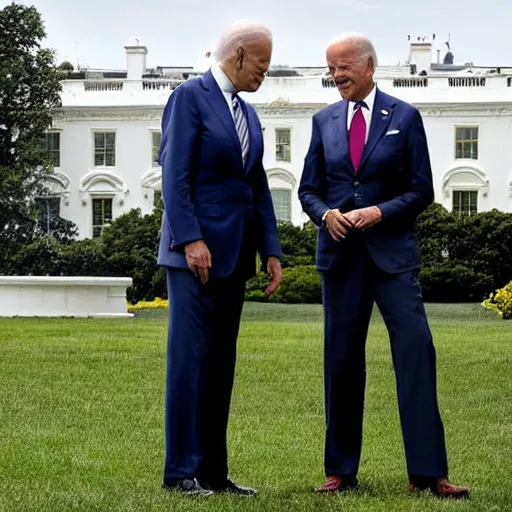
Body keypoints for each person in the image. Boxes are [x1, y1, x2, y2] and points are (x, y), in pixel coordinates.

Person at [298, 32, 469, 499]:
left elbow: (421, 190)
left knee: (416, 353)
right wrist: (325, 215)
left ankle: (429, 474)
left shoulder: (406, 117)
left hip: (393, 260)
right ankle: (340, 472)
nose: (336, 76)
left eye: (343, 67)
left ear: (370, 66)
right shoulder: (323, 121)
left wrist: (379, 212)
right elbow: (308, 189)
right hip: (340, 261)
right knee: (341, 364)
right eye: (330, 69)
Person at [157, 20, 283, 497]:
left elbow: (257, 186)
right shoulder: (189, 97)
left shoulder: (248, 116)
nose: (263, 76)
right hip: (193, 257)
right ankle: (179, 473)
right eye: (262, 66)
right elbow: (175, 174)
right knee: (188, 363)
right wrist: (190, 239)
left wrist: (270, 249)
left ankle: (213, 472)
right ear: (237, 57)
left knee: (219, 366)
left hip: (234, 257)